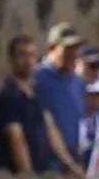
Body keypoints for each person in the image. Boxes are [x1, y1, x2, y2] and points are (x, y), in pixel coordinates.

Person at [0, 35, 88, 179]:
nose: (27, 61)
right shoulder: (9, 95)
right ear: (11, 59)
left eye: (31, 55)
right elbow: (16, 139)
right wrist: (28, 174)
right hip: (16, 178)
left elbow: (51, 129)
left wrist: (72, 166)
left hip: (43, 173)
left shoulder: (36, 92)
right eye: (22, 55)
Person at [33, 22, 86, 166]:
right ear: (51, 48)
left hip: (75, 160)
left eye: (76, 48)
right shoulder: (37, 78)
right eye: (68, 48)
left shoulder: (77, 82)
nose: (73, 53)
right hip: (48, 162)